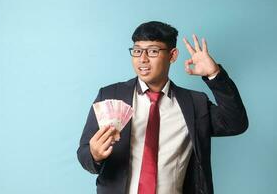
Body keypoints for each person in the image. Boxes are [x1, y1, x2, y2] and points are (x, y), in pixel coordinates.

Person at [77, 21, 248, 194]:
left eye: (152, 51)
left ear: (172, 55)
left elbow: (235, 123)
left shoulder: (194, 103)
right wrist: (94, 155)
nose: (142, 59)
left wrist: (214, 74)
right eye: (137, 51)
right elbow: (84, 153)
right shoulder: (110, 95)